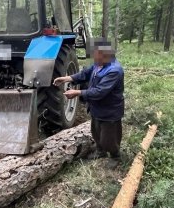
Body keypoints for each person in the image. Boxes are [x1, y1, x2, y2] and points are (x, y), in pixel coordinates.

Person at [53, 39, 125, 169]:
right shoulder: (99, 64)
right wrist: (68, 78)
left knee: (109, 137)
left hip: (110, 110)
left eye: (95, 54)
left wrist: (78, 92)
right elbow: (86, 73)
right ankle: (100, 151)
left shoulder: (114, 70)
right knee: (96, 131)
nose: (93, 57)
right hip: (97, 108)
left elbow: (99, 92)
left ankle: (115, 155)